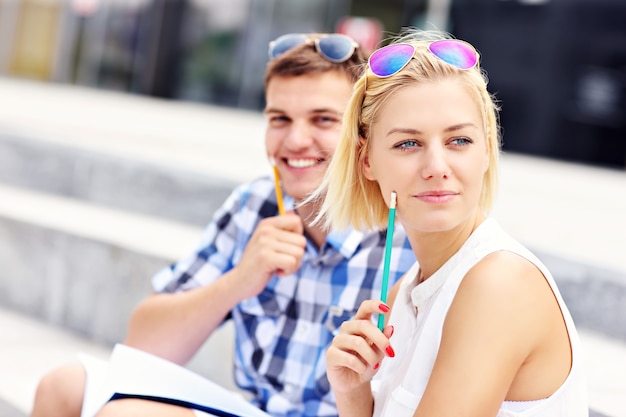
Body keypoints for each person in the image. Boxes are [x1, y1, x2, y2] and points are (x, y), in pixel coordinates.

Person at [30, 33, 416, 417]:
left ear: (361, 135)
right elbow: (141, 347)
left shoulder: (404, 231)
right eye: (280, 119)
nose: (296, 140)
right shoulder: (256, 205)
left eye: (323, 119)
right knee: (63, 385)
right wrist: (239, 281)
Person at [312, 29, 588, 417]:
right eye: (408, 143)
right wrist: (353, 392)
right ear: (367, 161)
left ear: (488, 150)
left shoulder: (499, 284)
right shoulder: (402, 294)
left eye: (459, 140)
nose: (437, 168)